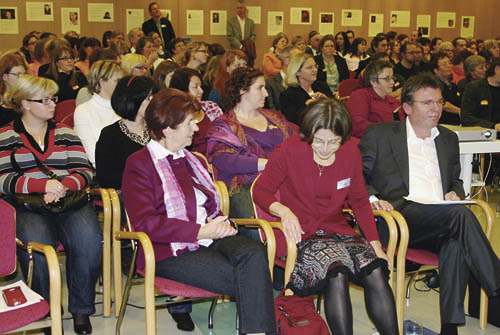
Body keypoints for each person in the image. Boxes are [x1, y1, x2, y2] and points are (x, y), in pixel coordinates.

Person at [121, 88, 275, 335]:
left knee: (255, 255)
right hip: (169, 250)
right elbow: (145, 223)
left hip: (209, 236)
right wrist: (201, 230)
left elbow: (208, 206)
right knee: (249, 278)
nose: (196, 128)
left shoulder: (191, 159)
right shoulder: (139, 164)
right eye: (190, 122)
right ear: (168, 128)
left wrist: (218, 226)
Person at [359, 73, 500, 335]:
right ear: (407, 107)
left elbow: (455, 180)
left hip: (440, 218)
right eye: (427, 103)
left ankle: (450, 327)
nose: (436, 109)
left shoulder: (447, 138)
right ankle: (497, 289)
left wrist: (454, 192)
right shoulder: (380, 134)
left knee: (455, 244)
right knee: (460, 217)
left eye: (439, 102)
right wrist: (374, 200)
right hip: (399, 217)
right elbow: (357, 177)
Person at [253, 98, 399, 335]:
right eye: (318, 141)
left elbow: (360, 199)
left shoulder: (351, 151)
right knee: (336, 271)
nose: (324, 148)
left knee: (375, 268)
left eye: (333, 142)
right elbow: (261, 191)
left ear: (344, 138)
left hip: (337, 229)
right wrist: (284, 211)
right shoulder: (290, 150)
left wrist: (375, 244)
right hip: (302, 232)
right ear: (308, 134)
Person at [0, 75, 101, 335]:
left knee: (88, 242)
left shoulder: (66, 133)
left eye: (54, 98)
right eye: (44, 100)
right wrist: (41, 186)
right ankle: (46, 310)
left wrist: (62, 186)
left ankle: (81, 310)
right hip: (28, 206)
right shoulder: (6, 136)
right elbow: (2, 179)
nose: (53, 104)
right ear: (25, 103)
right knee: (40, 247)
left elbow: (85, 171)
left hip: (70, 201)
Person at [207, 67, 294, 220]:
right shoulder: (224, 125)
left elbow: (299, 142)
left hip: (286, 180)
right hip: (246, 187)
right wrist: (268, 164)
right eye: (260, 88)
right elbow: (223, 160)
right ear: (242, 91)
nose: (266, 93)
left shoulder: (275, 117)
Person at [74, 60, 125, 166]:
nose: (122, 86)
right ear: (102, 82)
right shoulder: (83, 112)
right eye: (117, 81)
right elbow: (94, 156)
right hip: (106, 172)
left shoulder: (126, 107)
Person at [170, 67, 223, 154]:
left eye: (200, 86)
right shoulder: (173, 115)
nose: (201, 91)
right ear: (182, 90)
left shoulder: (210, 108)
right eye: (195, 87)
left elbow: (224, 137)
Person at [346, 60, 403, 138]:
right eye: (387, 78)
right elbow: (357, 125)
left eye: (392, 78)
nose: (392, 82)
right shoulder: (360, 96)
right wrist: (387, 132)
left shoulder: (394, 101)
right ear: (373, 82)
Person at [280, 53, 332, 125]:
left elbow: (337, 111)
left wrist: (327, 101)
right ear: (297, 72)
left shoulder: (322, 86)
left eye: (315, 66)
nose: (315, 70)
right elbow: (292, 122)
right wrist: (307, 106)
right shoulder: (288, 95)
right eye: (309, 67)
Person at [461, 57, 500, 129]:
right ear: (497, 69)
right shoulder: (474, 88)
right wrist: (493, 126)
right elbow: (466, 118)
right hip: (484, 134)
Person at [265, 46, 300, 111]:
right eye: (298, 58)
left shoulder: (301, 81)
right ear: (286, 60)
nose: (301, 62)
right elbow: (271, 110)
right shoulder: (270, 83)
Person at [431, 52, 461, 125]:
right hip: (441, 123)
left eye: (449, 63)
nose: (449, 66)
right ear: (436, 70)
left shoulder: (453, 85)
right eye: (444, 64)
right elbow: (442, 103)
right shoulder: (433, 85)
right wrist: (460, 111)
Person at [0, 53, 27, 126]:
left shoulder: (28, 96)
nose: (22, 78)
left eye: (23, 74)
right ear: (4, 76)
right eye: (17, 74)